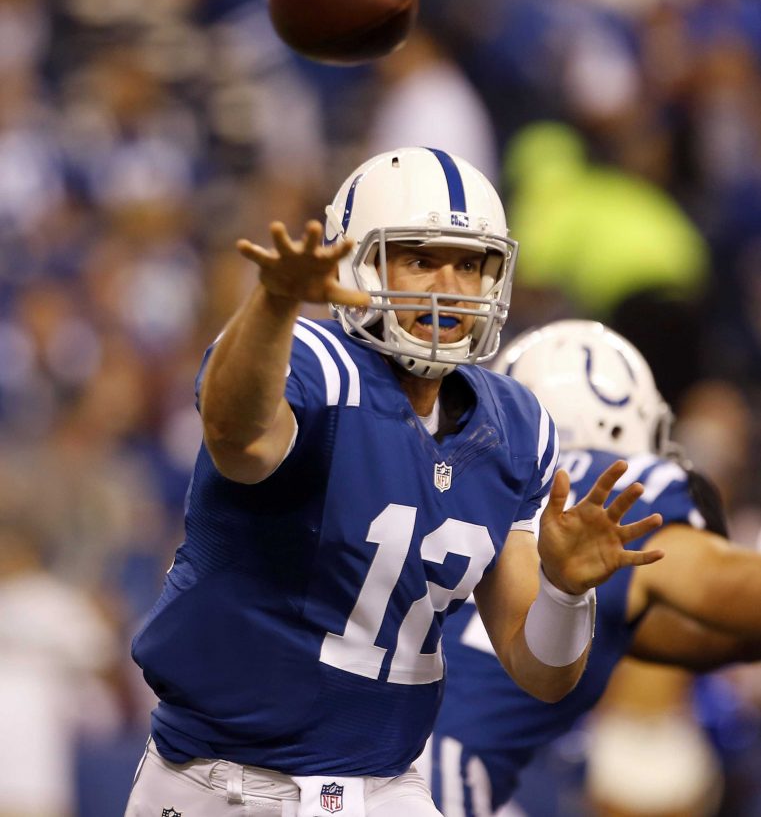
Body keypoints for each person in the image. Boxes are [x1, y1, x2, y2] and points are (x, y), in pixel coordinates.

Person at [125, 149, 662, 817]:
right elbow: (236, 434)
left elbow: (541, 673)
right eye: (420, 258)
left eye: (469, 264)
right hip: (223, 784)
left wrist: (565, 592)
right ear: (360, 264)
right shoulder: (310, 363)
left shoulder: (515, 424)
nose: (449, 286)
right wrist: (275, 301)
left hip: (385, 787)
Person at [420, 319, 761, 817]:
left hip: (348, 765)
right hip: (435, 783)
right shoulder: (607, 499)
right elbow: (733, 592)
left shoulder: (466, 483)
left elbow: (680, 636)